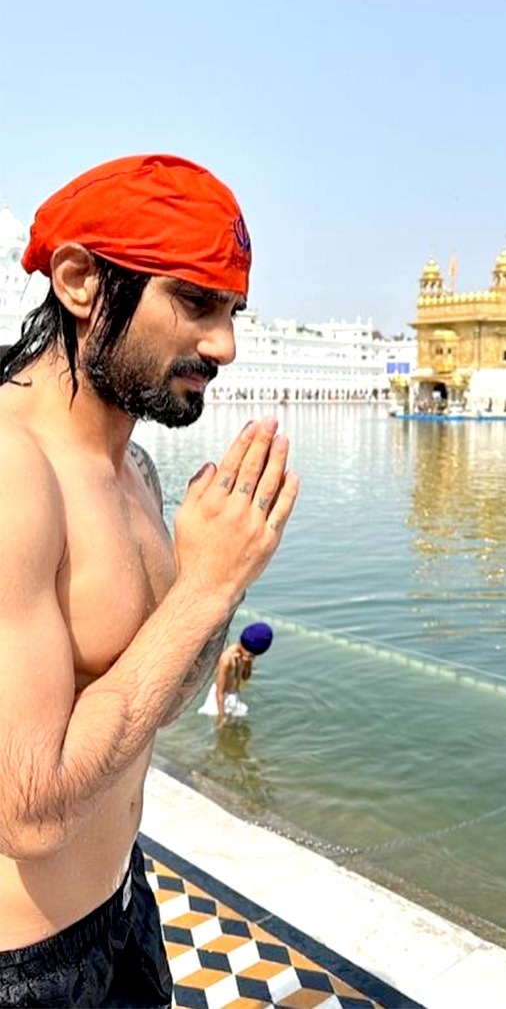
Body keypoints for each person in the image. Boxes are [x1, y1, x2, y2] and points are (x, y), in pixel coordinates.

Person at [0, 154, 300, 1007]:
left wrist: (223, 575)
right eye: (196, 302)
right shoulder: (13, 472)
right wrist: (204, 589)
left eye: (234, 310)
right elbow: (26, 811)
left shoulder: (132, 469)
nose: (226, 344)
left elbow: (164, 696)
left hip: (124, 912)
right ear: (81, 281)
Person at [198, 621, 274, 722]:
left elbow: (245, 677)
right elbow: (219, 691)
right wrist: (222, 717)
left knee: (236, 728)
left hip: (234, 695)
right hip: (221, 699)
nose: (252, 658)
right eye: (252, 655)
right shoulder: (226, 660)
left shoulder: (244, 656)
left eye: (253, 656)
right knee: (223, 730)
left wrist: (247, 663)